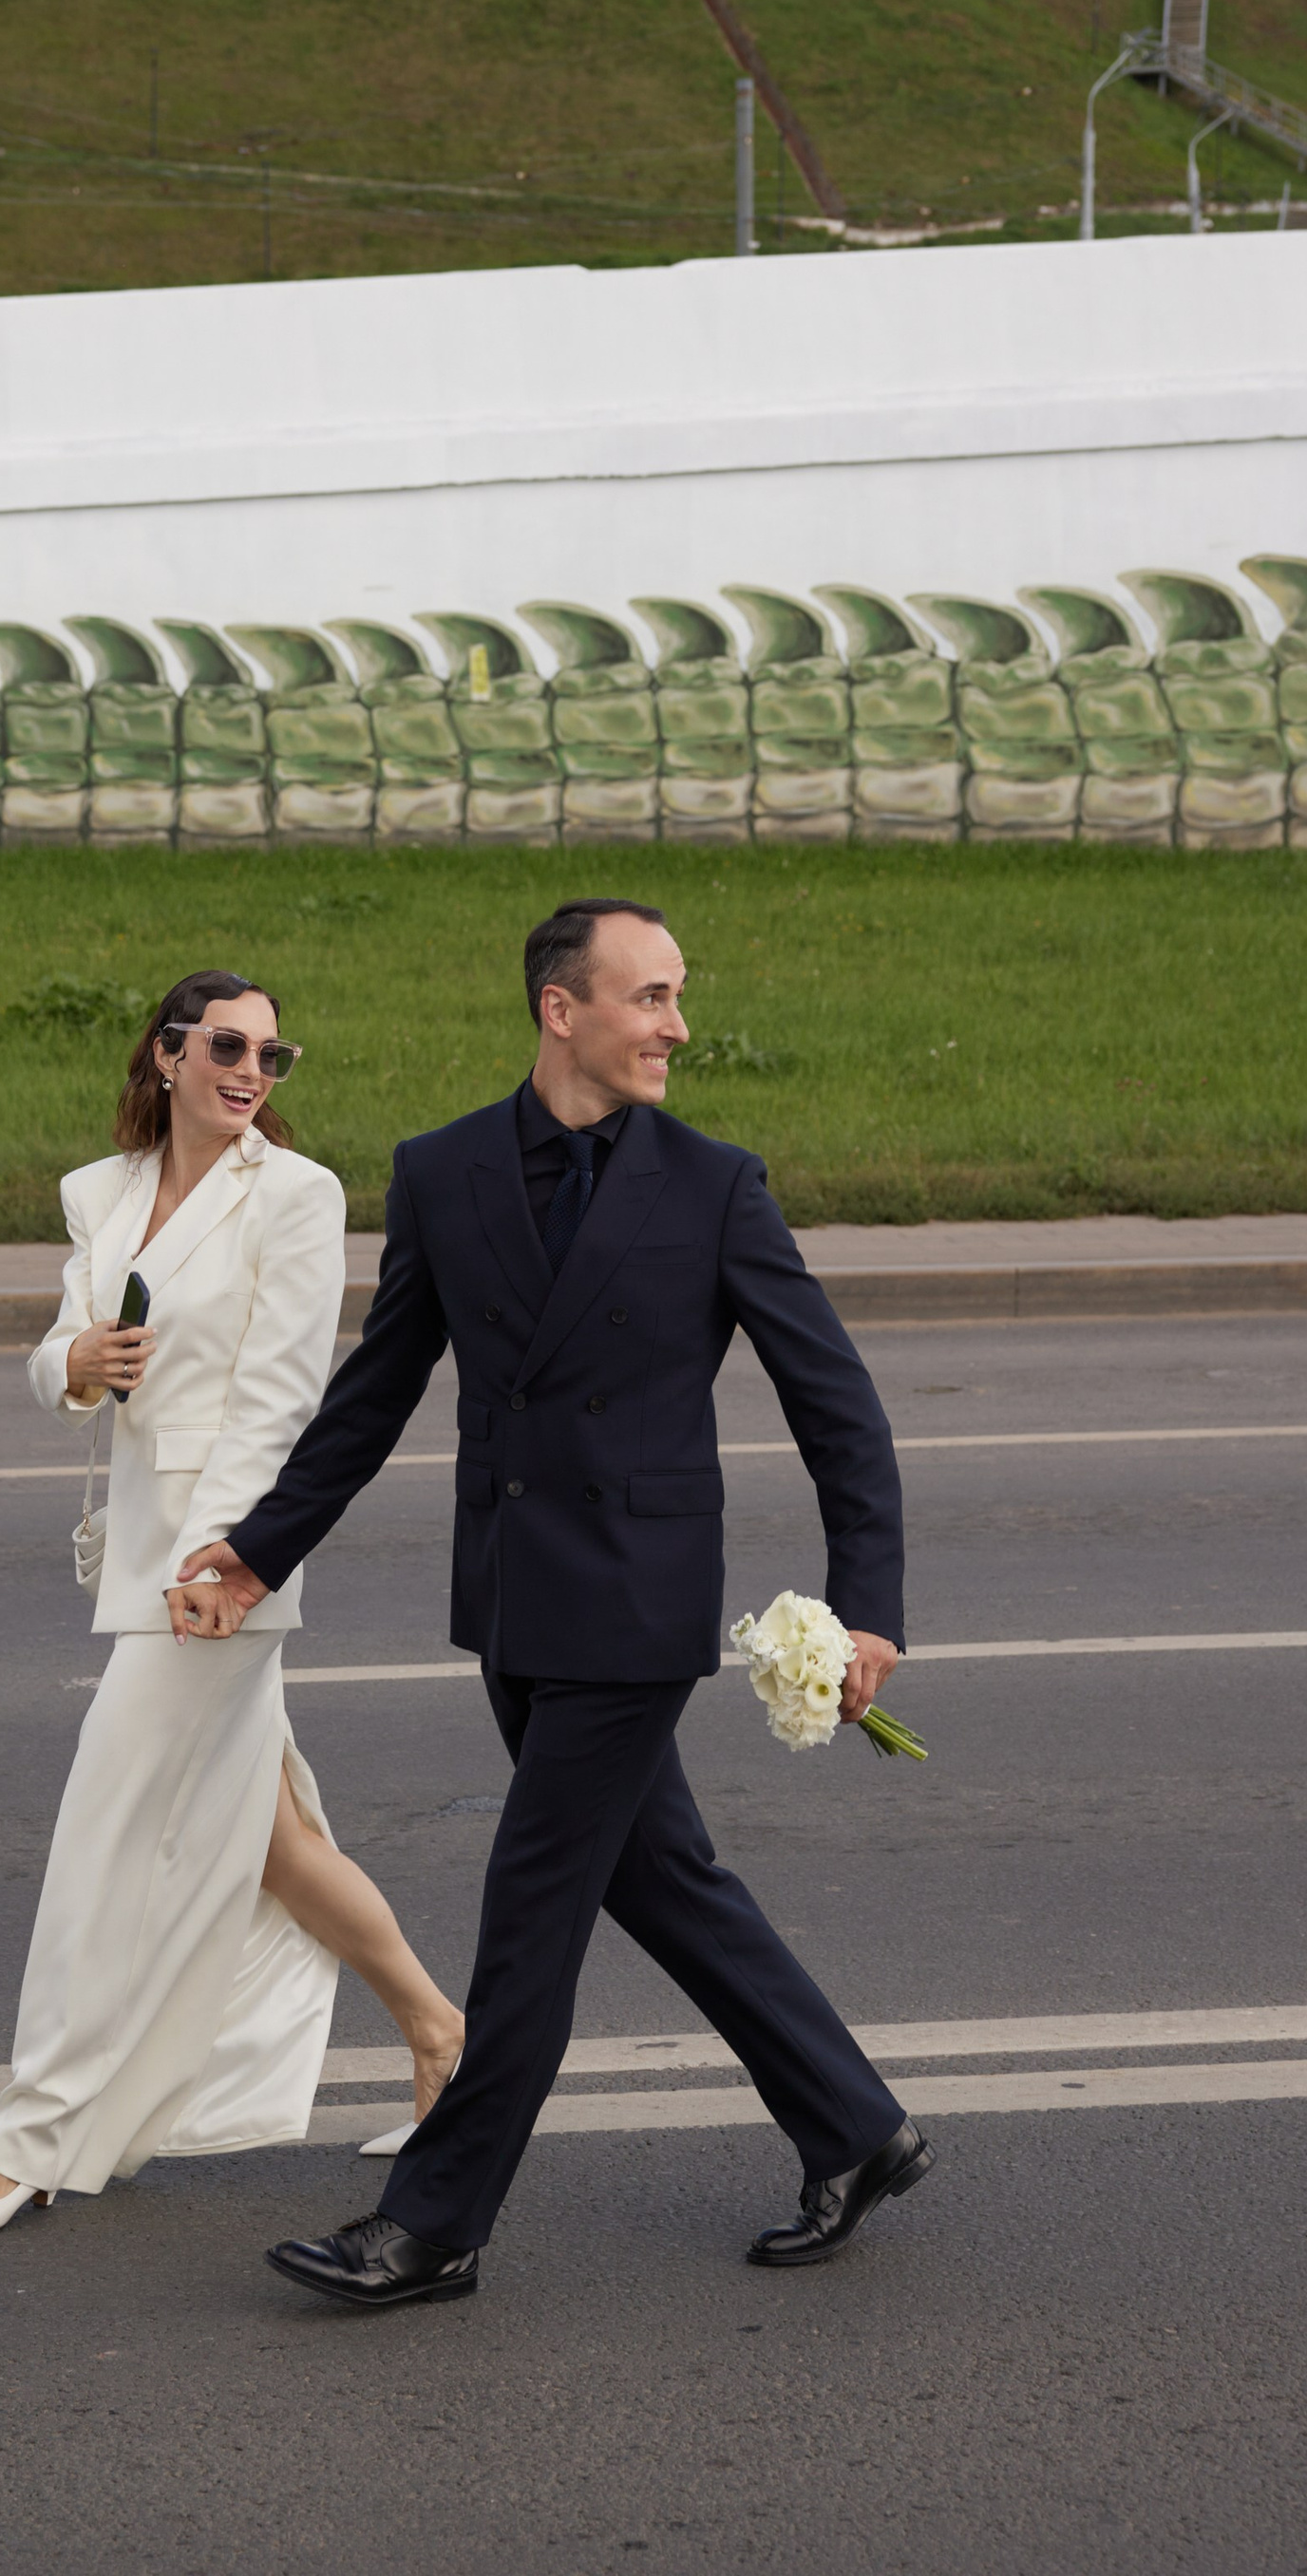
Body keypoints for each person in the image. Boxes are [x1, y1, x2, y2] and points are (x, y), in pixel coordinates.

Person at [173, 899, 929, 2309]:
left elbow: (839, 1404)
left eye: (678, 995)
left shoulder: (714, 1184)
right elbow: (376, 1394)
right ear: (559, 1008)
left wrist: (865, 1602)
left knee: (530, 1911)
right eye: (651, 997)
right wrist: (263, 1546)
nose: (678, 1026)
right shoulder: (448, 1172)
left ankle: (435, 2222)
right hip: (517, 1607)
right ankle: (856, 2124)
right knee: (667, 1882)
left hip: (636, 1614)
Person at [0, 968, 463, 2234]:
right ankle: (444, 2035)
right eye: (228, 1043)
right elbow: (61, 1350)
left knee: (103, 1829)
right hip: (141, 1564)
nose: (253, 1069)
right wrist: (76, 1365)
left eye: (274, 1053)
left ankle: (31, 2136)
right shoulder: (100, 1194)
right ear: (167, 1053)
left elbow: (279, 1398)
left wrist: (230, 1562)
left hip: (219, 1575)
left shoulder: (299, 1197)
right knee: (272, 1844)